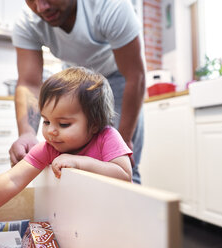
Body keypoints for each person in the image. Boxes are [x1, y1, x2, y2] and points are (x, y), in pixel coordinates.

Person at [0, 67, 133, 247]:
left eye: (63, 124)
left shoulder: (107, 137)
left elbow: (124, 175)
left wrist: (80, 162)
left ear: (95, 124)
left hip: (114, 225)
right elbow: (12, 179)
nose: (51, 131)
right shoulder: (49, 148)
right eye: (46, 121)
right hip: (80, 228)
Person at [9, 0, 146, 184]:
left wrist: (123, 139)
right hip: (77, 84)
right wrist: (26, 133)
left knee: (123, 165)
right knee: (71, 163)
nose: (41, 7)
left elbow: (135, 76)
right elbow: (29, 83)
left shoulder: (111, 5)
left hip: (119, 77)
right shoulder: (28, 21)